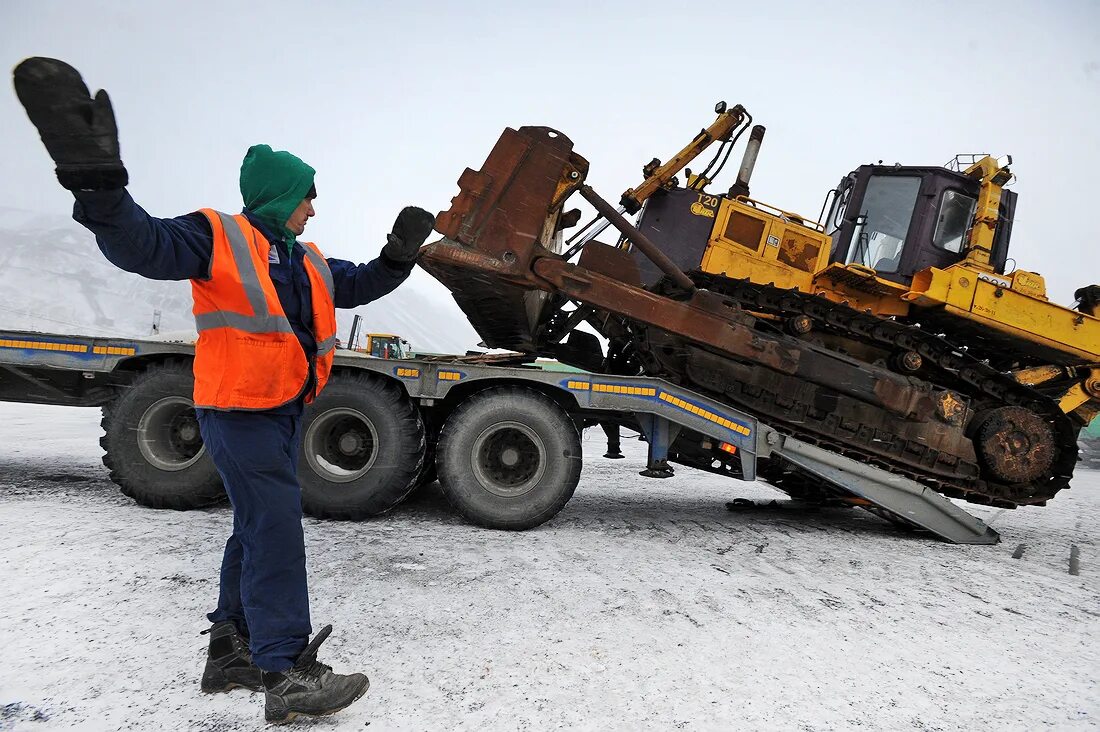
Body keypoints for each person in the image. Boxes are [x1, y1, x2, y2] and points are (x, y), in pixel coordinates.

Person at [13, 57, 436, 724]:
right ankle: (286, 672)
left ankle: (229, 651)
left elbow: (358, 284)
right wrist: (99, 185)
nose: (314, 206)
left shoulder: (306, 258)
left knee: (255, 528)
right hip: (237, 413)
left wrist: (397, 257)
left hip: (280, 413)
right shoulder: (218, 237)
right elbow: (143, 246)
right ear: (280, 195)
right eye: (307, 195)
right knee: (275, 530)